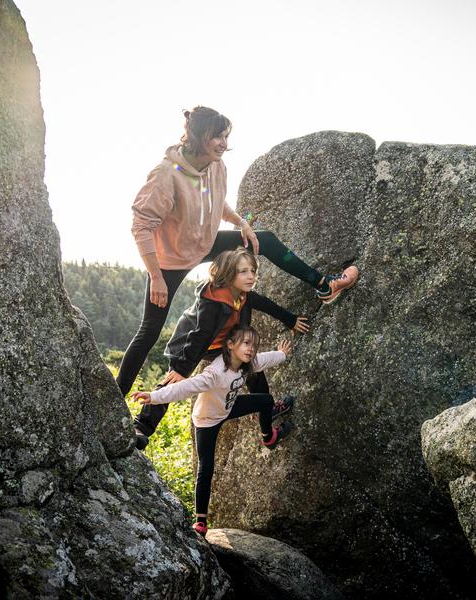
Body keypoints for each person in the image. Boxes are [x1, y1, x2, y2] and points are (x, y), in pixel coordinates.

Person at [116, 105, 359, 401]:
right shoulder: (167, 174)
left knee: (264, 240)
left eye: (225, 136)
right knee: (149, 331)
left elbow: (215, 201)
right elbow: (141, 226)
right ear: (198, 136)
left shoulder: (216, 166)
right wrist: (156, 276)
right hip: (170, 261)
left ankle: (324, 285)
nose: (223, 143)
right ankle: (115, 398)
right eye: (217, 136)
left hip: (204, 243)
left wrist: (241, 222)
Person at [133, 247, 305, 449]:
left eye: (253, 271)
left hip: (220, 344)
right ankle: (141, 428)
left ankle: (269, 413)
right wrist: (181, 369)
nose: (251, 276)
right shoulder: (213, 300)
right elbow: (201, 335)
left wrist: (291, 320)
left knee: (252, 369)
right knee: (173, 381)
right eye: (243, 271)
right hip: (191, 344)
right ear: (229, 274)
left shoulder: (243, 295)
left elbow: (267, 305)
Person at [133, 326, 294, 536]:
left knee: (266, 400)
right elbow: (186, 387)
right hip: (207, 420)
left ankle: (268, 437)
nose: (251, 349)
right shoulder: (215, 372)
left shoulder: (247, 363)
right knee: (206, 467)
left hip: (228, 407)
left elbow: (264, 359)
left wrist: (282, 354)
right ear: (230, 345)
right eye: (246, 343)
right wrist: (154, 397)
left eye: (254, 345)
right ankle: (200, 521)